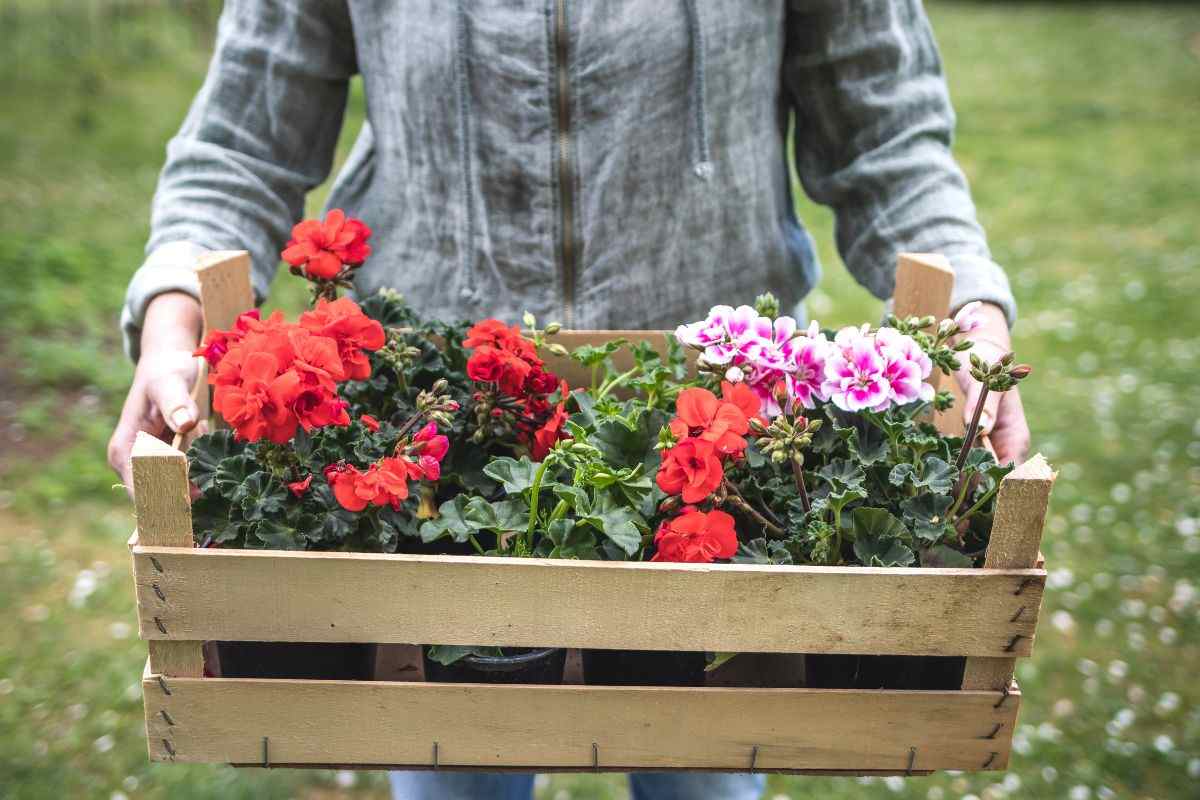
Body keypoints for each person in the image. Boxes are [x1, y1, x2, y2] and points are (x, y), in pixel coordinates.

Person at [108, 2, 1030, 798]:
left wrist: (974, 320)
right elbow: (242, 141)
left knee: (705, 763)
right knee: (451, 760)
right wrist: (170, 318)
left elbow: (888, 140)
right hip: (441, 427)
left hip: (720, 422)